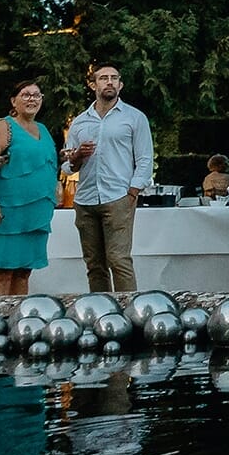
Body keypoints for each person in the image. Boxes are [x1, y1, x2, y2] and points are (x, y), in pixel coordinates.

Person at [65, 62, 154, 293]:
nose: (110, 82)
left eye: (114, 78)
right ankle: (102, 312)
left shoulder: (135, 118)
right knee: (94, 265)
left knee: (119, 260)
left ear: (121, 85)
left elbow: (145, 158)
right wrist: (77, 156)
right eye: (104, 78)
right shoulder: (80, 122)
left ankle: (129, 313)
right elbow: (67, 165)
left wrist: (133, 191)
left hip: (118, 197)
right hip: (85, 199)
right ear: (93, 85)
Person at [0, 79, 59, 296]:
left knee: (23, 272)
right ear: (14, 100)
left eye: (36, 95)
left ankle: (17, 321)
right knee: (3, 271)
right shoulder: (3, 126)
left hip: (34, 215)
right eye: (26, 95)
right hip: (6, 213)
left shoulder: (43, 129)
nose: (32, 99)